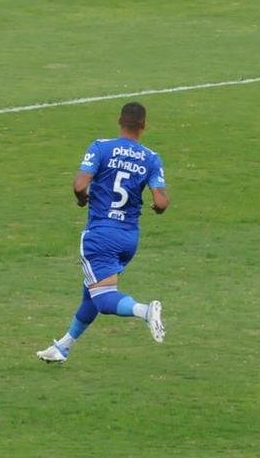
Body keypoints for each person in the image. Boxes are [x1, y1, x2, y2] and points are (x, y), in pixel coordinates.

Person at [35, 102, 169, 363]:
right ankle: (62, 347)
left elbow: (79, 185)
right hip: (128, 238)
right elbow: (161, 202)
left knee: (104, 299)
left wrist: (82, 199)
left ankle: (145, 310)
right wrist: (156, 206)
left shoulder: (100, 147)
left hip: (100, 235)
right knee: (91, 292)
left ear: (119, 120)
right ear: (144, 126)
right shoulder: (151, 157)